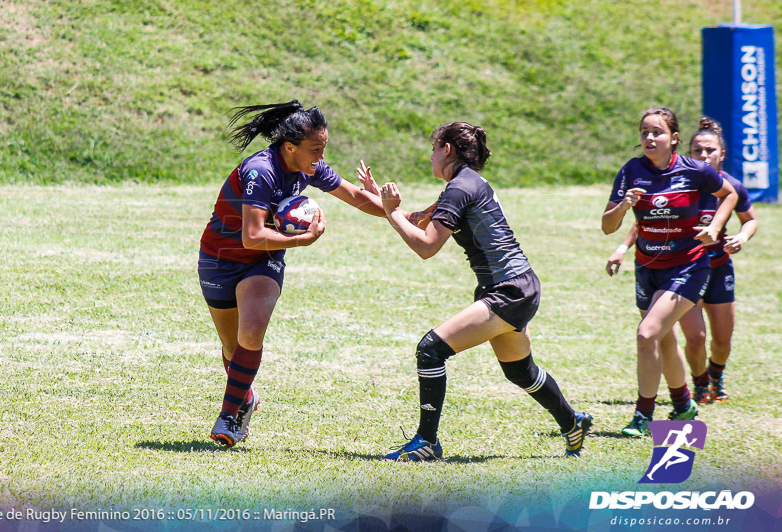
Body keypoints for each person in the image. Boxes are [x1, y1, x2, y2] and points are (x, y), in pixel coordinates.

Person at [200, 101, 427, 448]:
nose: (321, 157)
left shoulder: (310, 167)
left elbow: (355, 196)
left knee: (252, 328)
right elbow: (252, 235)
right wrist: (304, 240)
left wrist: (403, 215)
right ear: (289, 147)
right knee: (232, 348)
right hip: (220, 258)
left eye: (324, 148)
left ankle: (228, 417)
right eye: (315, 149)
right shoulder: (261, 172)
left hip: (263, 260)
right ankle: (245, 397)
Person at [368, 122, 592, 461]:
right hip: (515, 286)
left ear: (447, 150)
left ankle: (427, 441)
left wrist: (391, 211)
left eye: (433, 148)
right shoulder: (464, 185)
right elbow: (418, 219)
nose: (430, 156)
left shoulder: (460, 188)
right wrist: (385, 204)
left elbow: (426, 246)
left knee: (431, 350)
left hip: (509, 290)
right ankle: (572, 422)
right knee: (519, 370)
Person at [602, 107, 738, 437]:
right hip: (647, 268)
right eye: (645, 132)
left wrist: (716, 227)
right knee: (662, 340)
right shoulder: (631, 171)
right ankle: (683, 405)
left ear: (673, 138)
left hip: (689, 266)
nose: (649, 138)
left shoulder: (694, 170)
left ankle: (643, 414)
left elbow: (729, 194)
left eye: (657, 132)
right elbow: (608, 225)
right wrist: (624, 205)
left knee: (646, 333)